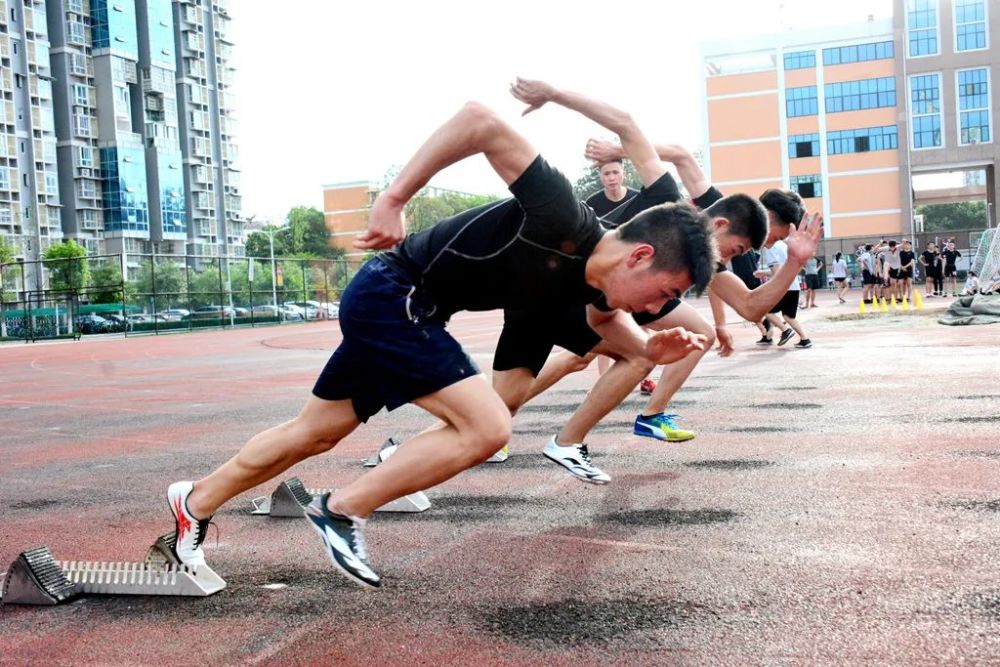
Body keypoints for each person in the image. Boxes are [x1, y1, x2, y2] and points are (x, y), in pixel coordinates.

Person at [164, 82, 716, 588]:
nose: (660, 307)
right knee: (488, 425)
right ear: (641, 256)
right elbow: (479, 119)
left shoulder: (598, 281)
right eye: (666, 291)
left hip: (412, 310)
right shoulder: (563, 215)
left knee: (316, 431)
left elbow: (601, 323)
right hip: (395, 291)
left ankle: (195, 502)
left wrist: (648, 349)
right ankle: (340, 509)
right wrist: (395, 198)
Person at [759, 228, 812, 349]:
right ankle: (805, 340)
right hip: (793, 285)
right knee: (788, 316)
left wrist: (764, 274)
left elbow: (777, 273)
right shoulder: (782, 245)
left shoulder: (771, 250)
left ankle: (785, 330)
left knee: (764, 310)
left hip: (784, 287)